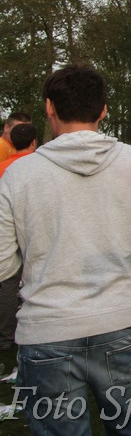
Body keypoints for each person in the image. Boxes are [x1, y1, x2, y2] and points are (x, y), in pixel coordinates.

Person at [0, 63, 131, 434]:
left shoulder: (19, 174)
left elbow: (3, 263)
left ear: (49, 107)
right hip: (116, 323)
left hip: (48, 330)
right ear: (103, 109)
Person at [0, 122, 36, 350]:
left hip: (7, 226)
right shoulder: (37, 166)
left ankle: (6, 336)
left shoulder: (3, 167)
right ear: (34, 142)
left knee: (9, 280)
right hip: (31, 225)